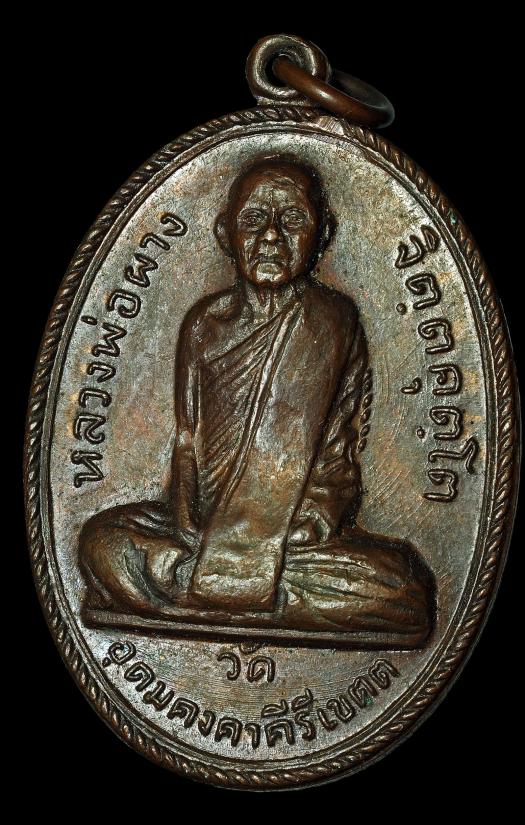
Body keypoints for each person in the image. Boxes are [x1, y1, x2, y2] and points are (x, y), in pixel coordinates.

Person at [79, 155, 434, 642]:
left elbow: (341, 452)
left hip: (292, 538)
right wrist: (186, 523)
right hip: (201, 532)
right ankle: (244, 589)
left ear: (323, 234)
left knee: (404, 585)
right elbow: (187, 442)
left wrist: (312, 521)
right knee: (101, 541)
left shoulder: (333, 321)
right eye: (253, 220)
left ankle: (196, 586)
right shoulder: (203, 326)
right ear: (226, 234)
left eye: (292, 220)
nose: (271, 237)